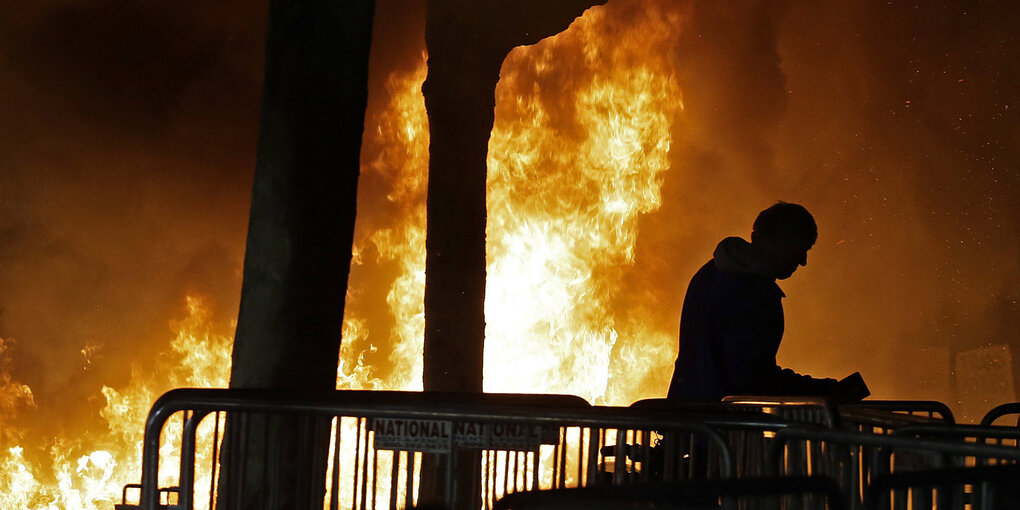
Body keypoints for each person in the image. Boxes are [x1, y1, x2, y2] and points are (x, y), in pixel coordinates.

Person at [667, 202, 868, 401]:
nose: (803, 261)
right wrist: (826, 393)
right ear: (781, 241)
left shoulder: (711, 272)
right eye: (801, 249)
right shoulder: (755, 291)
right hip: (720, 424)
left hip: (685, 416)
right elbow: (752, 377)